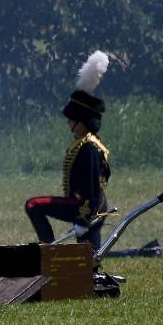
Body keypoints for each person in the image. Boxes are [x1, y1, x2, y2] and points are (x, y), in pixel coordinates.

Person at [25, 52, 112, 249]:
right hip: (87, 207)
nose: (69, 123)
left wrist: (82, 219)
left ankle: (48, 250)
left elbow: (92, 188)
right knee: (88, 260)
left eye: (72, 120)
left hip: (86, 207)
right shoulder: (86, 142)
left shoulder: (88, 147)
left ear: (83, 122)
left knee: (33, 205)